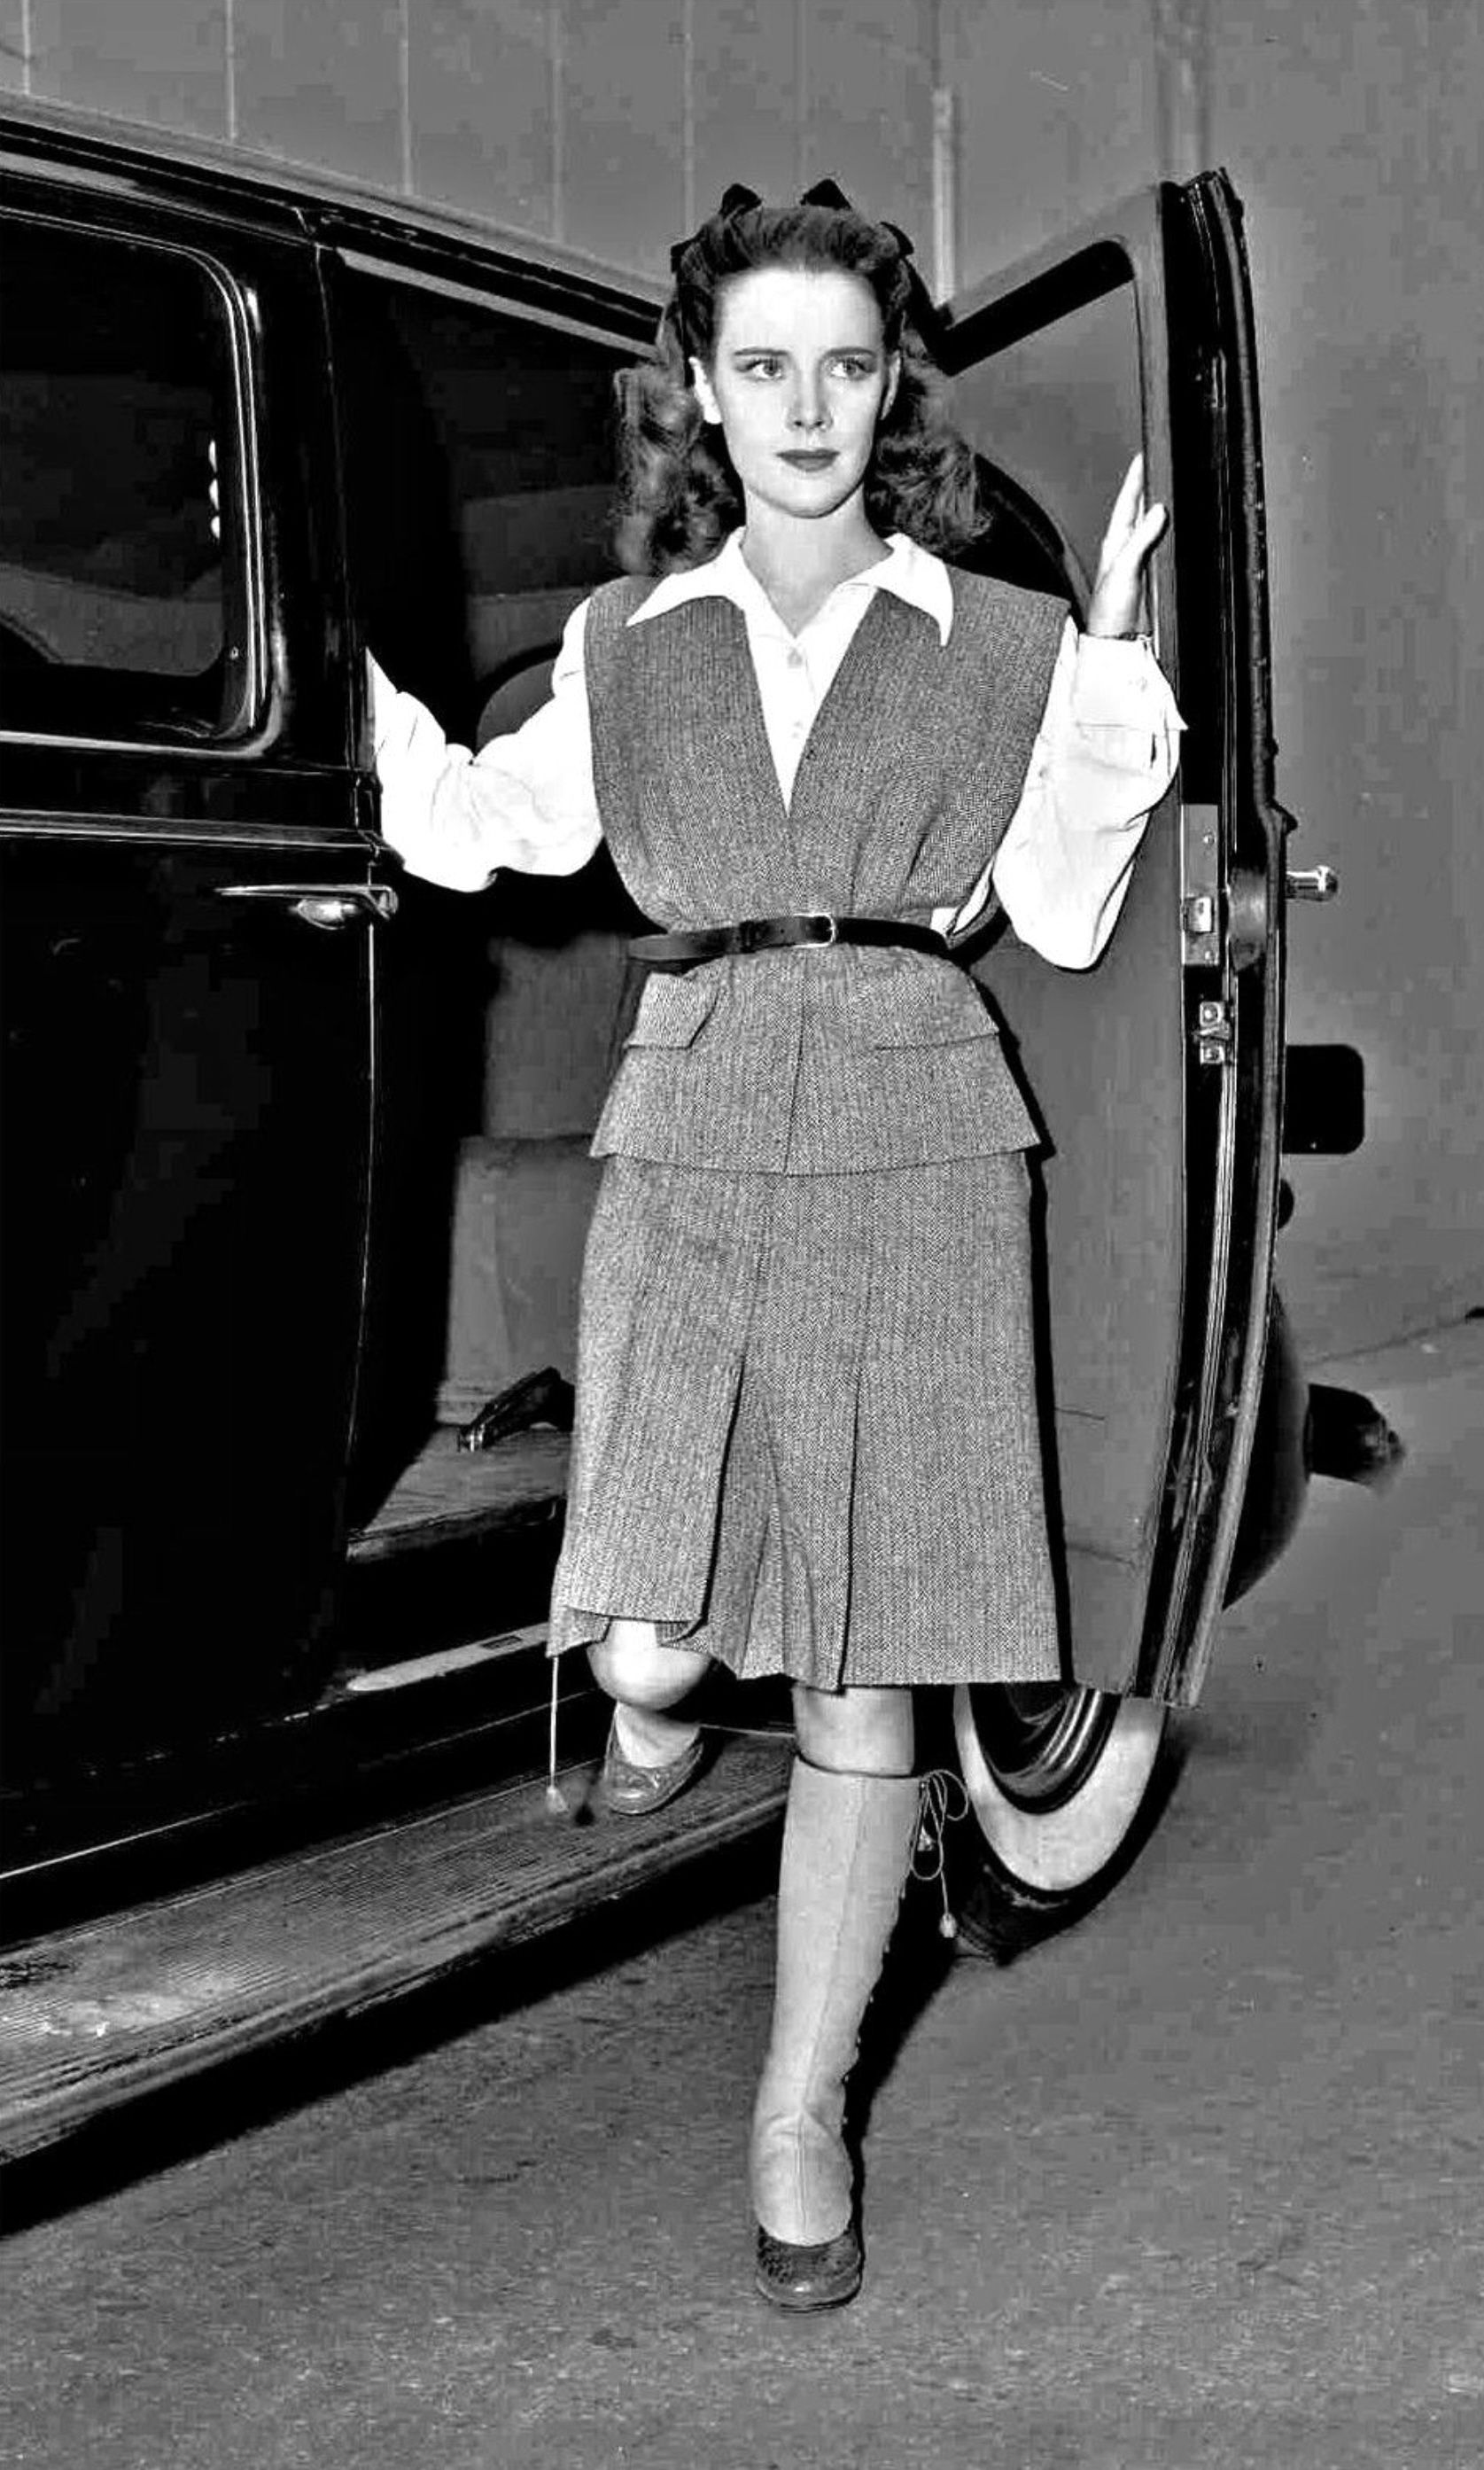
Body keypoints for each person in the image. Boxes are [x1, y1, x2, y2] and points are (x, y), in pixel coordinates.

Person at [369, 180, 1181, 2311]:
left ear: (888, 388)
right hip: (703, 1104)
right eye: (762, 366)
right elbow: (480, 825)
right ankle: (644, 1716)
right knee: (644, 1620)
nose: (805, 407)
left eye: (843, 364)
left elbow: (1064, 903)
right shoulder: (625, 645)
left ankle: (799, 2111)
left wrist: (1104, 675)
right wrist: (332, 676)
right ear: (704, 398)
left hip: (919, 1120)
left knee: (861, 1660)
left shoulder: (999, 643)